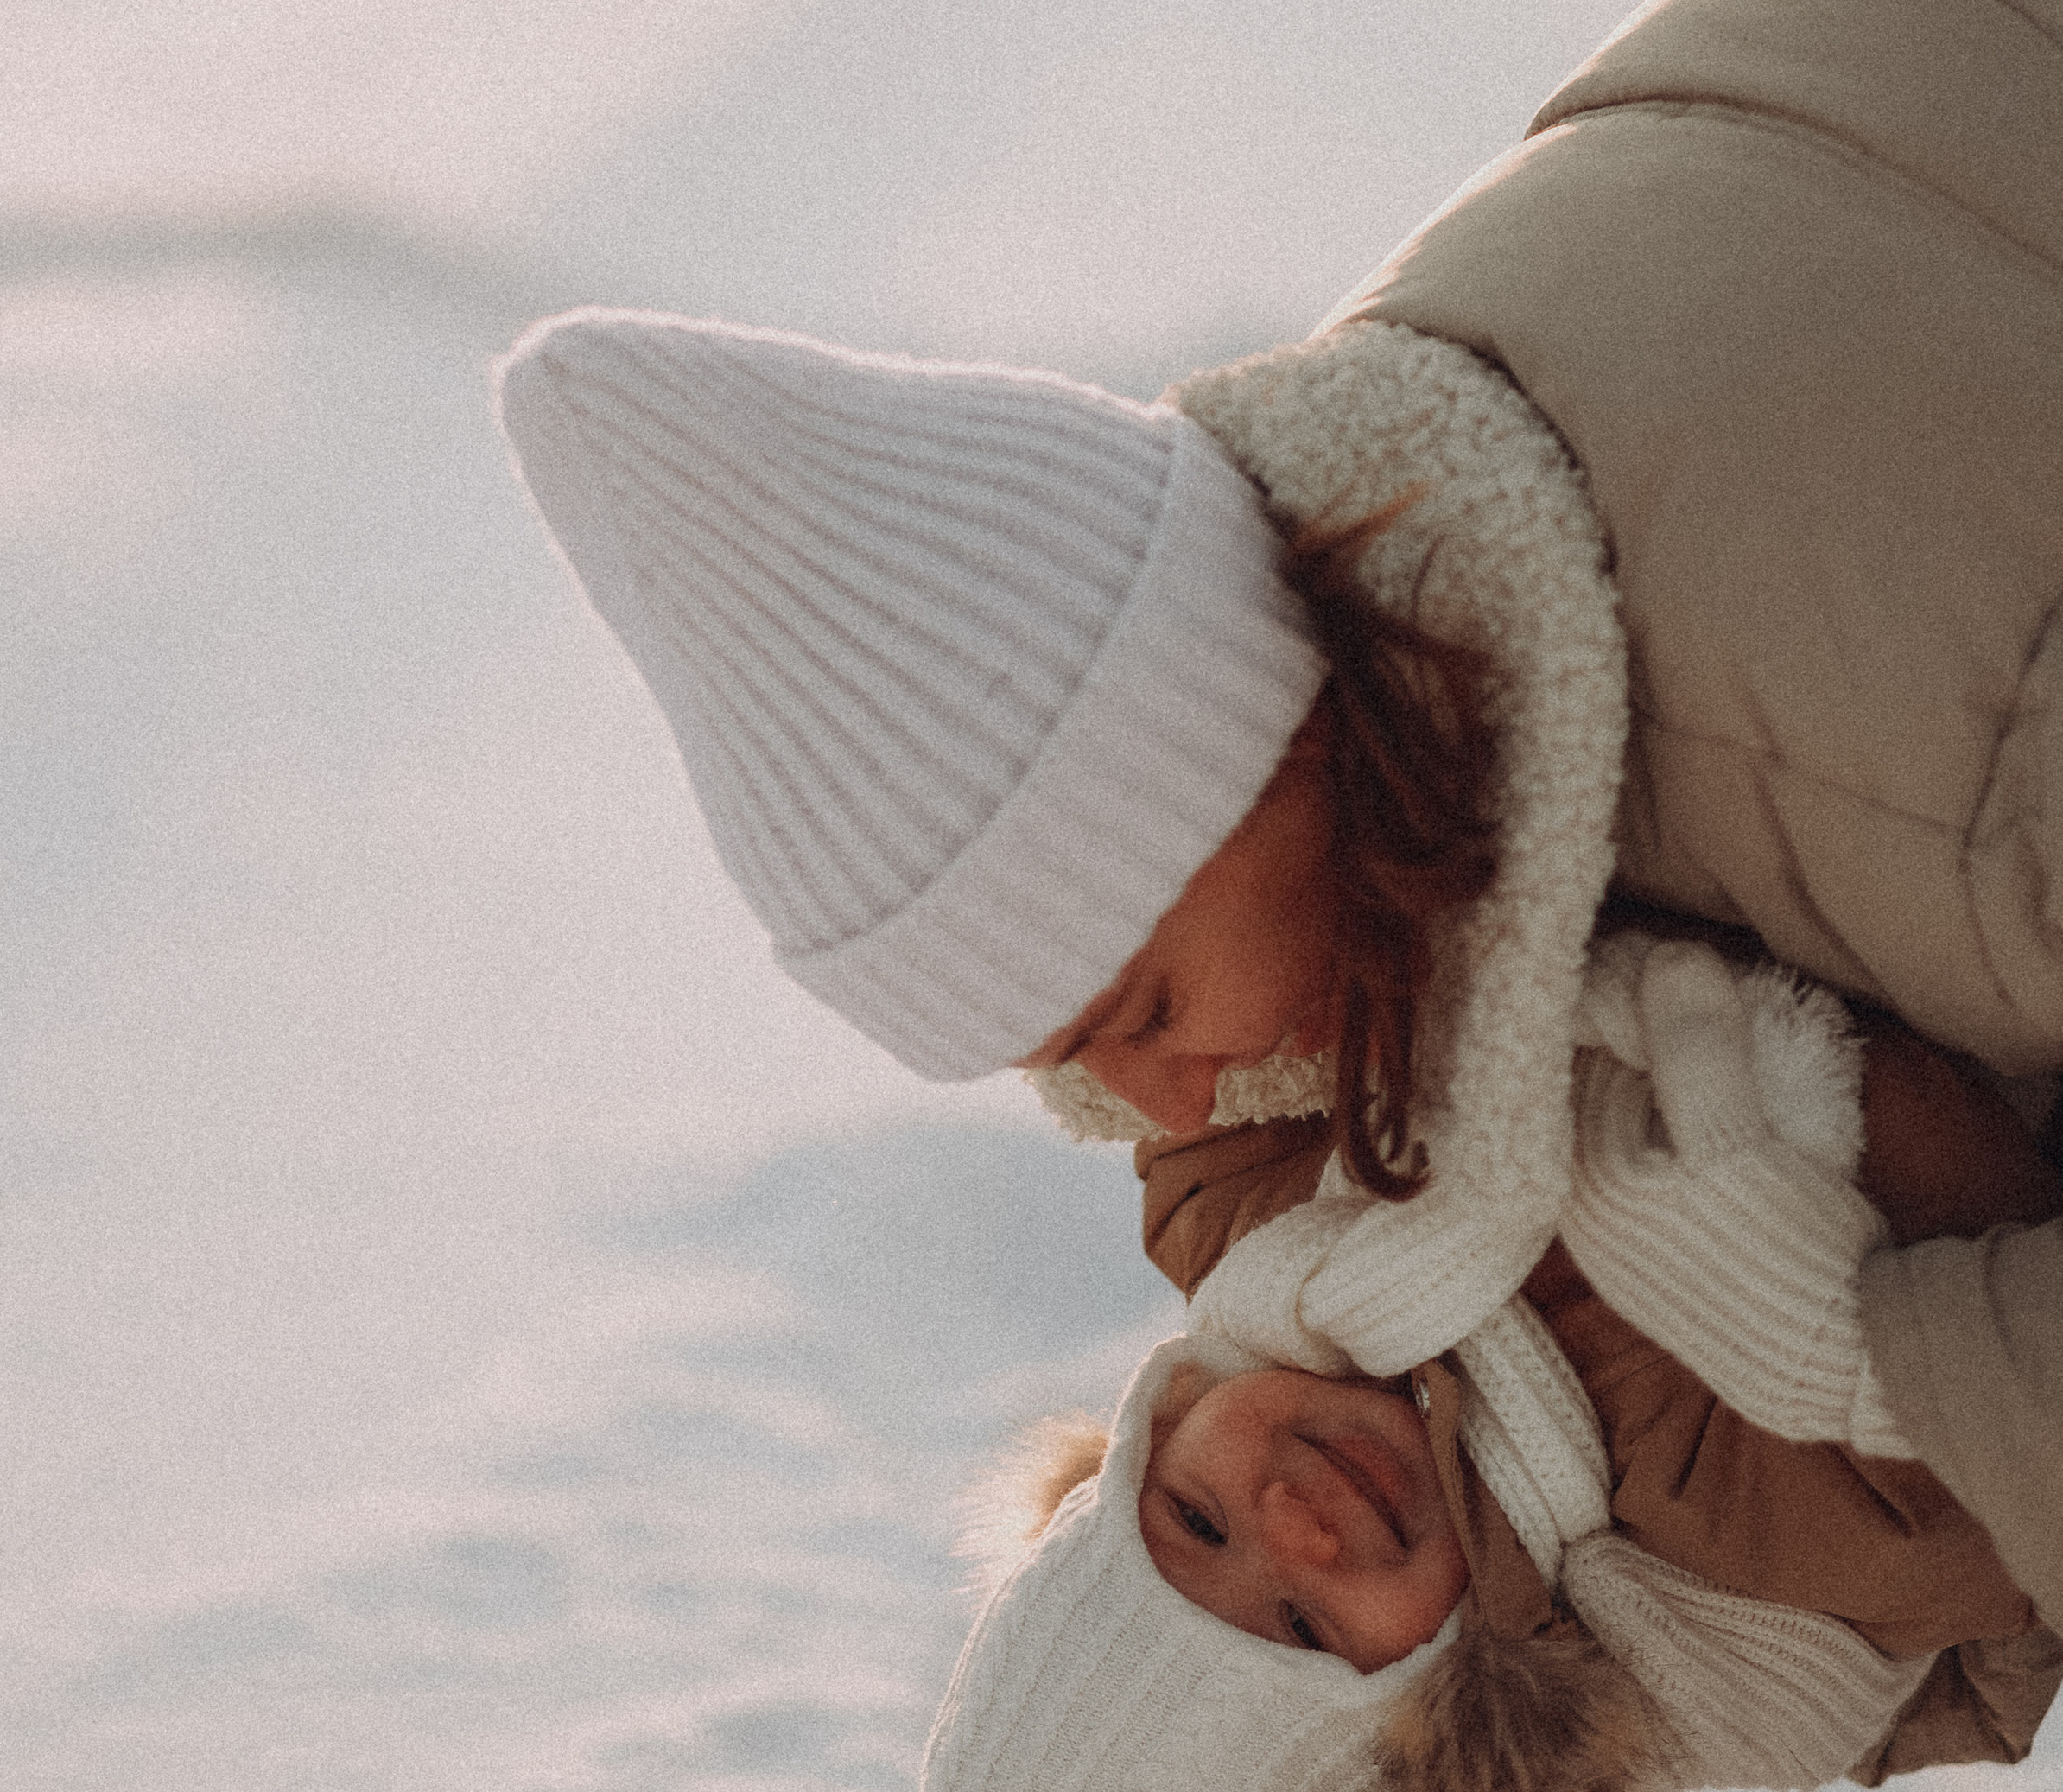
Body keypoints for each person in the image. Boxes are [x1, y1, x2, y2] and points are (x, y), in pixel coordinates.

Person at [496, 0, 2062, 1635]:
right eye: (1071, 1059)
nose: (1162, 1096)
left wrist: (1921, 1345)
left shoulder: (1929, 779)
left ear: (1256, 751)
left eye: (1143, 1010)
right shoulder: (1385, 491)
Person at [727, 942, 2060, 1792]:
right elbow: (1997, 1376)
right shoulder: (1739, 1551)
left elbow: (1209, 969)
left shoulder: (1252, 1229)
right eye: (1307, 1629)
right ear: (1433, 1735)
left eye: (1194, 1523)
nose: (1295, 1525)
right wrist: (1641, 1222)